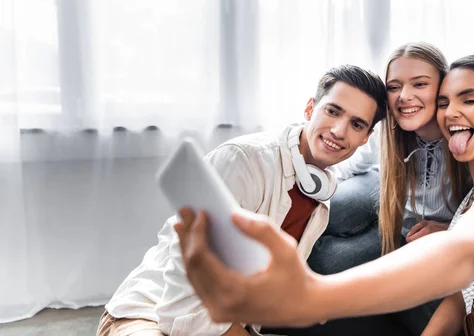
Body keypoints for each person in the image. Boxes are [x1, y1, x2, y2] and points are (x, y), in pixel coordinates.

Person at [175, 55, 474, 335]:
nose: (452, 112)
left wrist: (314, 296)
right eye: (447, 101)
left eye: (470, 99)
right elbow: (460, 292)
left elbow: (466, 254)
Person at [96, 65, 387, 336]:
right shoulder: (244, 160)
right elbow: (184, 296)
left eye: (356, 124)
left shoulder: (320, 193)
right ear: (310, 108)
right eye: (333, 111)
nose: (339, 131)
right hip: (150, 316)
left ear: (366, 138)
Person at [273, 42, 469, 335]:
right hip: (384, 189)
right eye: (394, 86)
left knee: (326, 264)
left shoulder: (462, 138)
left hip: (416, 232)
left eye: (420, 84)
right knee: (330, 208)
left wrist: (450, 230)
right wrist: (305, 170)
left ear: (443, 87)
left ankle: (284, 289)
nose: (405, 96)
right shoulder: (389, 134)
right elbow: (348, 165)